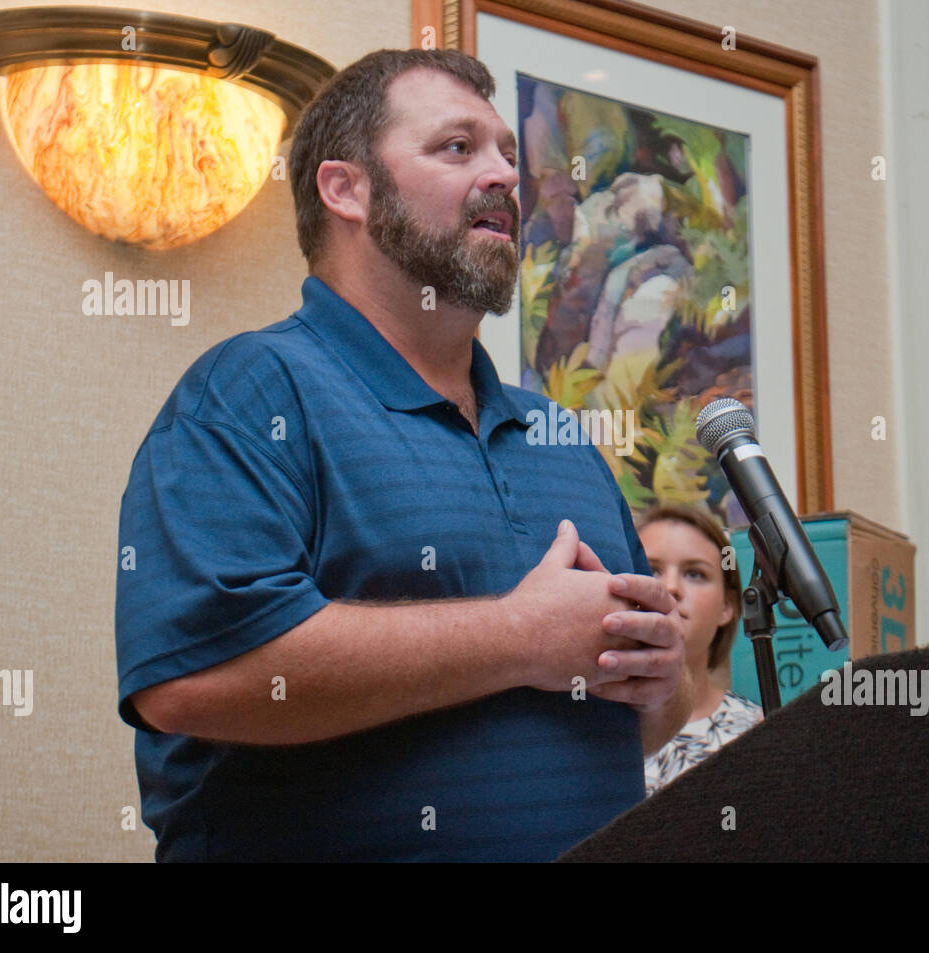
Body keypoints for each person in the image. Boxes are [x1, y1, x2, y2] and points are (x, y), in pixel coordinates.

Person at [113, 48, 693, 862]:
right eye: (458, 148)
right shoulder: (251, 393)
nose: (504, 177)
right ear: (344, 188)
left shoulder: (562, 435)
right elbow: (193, 679)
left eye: (505, 152)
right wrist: (518, 636)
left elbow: (642, 720)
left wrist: (661, 683)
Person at [638, 505, 762, 795]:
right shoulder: (592, 729)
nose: (671, 587)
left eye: (695, 574)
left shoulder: (758, 732)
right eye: (651, 569)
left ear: (728, 606)